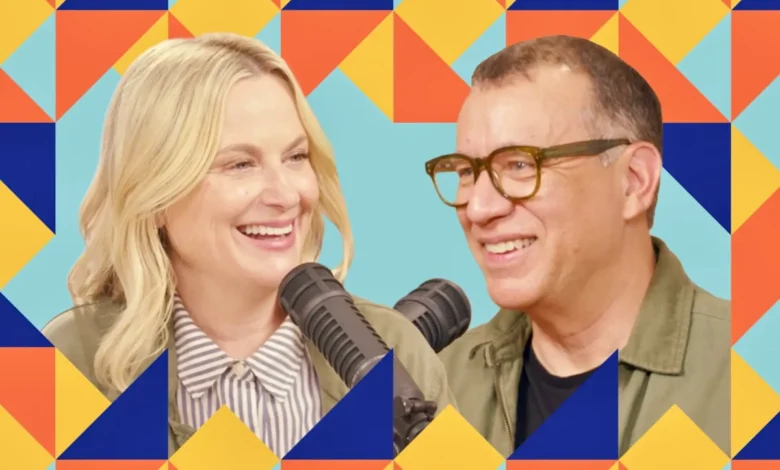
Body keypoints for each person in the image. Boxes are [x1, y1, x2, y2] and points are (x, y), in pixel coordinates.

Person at [42, 33, 455, 457]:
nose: (286, 195)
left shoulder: (395, 353)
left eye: (296, 157)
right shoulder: (69, 359)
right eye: (240, 164)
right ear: (155, 195)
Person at [432, 35, 729, 457]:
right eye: (465, 172)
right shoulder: (436, 387)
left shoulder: (751, 371)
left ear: (633, 182)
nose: (478, 208)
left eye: (520, 165)